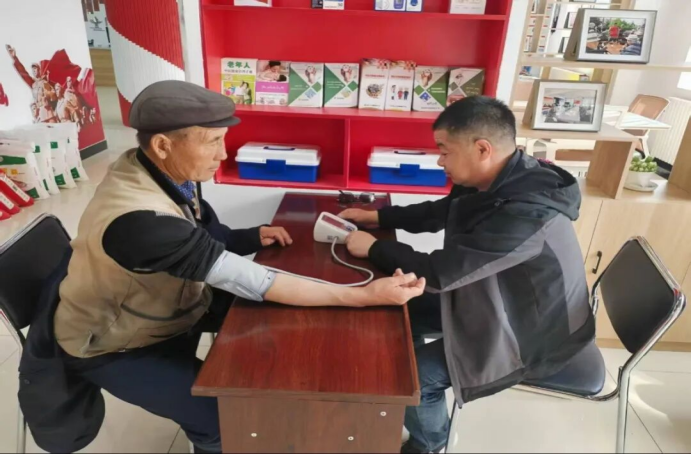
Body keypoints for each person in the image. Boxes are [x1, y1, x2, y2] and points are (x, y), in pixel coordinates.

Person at [54, 80, 425, 454]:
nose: (224, 153)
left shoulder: (157, 170)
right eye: (213, 142)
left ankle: (297, 416)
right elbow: (255, 280)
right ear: (163, 145)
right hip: (115, 345)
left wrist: (250, 237)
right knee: (223, 418)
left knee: (289, 334)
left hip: (165, 309)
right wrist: (362, 295)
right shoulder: (141, 221)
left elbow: (200, 232)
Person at [340, 97, 595, 454]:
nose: (440, 161)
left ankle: (430, 443)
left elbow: (441, 273)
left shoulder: (528, 212)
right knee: (394, 311)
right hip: (493, 298)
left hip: (533, 333)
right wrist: (379, 217)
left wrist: (374, 248)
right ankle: (402, 402)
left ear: (482, 149)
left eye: (445, 151)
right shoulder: (500, 179)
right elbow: (442, 213)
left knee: (414, 376)